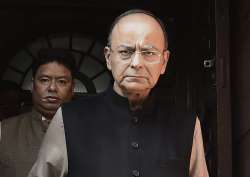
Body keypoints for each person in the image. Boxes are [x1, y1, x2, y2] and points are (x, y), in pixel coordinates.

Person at [29, 9, 209, 177]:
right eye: (125, 52)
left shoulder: (186, 125)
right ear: (108, 57)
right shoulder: (69, 119)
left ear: (164, 61)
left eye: (149, 52)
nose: (137, 63)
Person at [0, 48, 76, 177]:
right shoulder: (4, 130)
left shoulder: (91, 132)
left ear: (72, 88)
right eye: (44, 80)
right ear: (32, 85)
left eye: (62, 81)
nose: (52, 88)